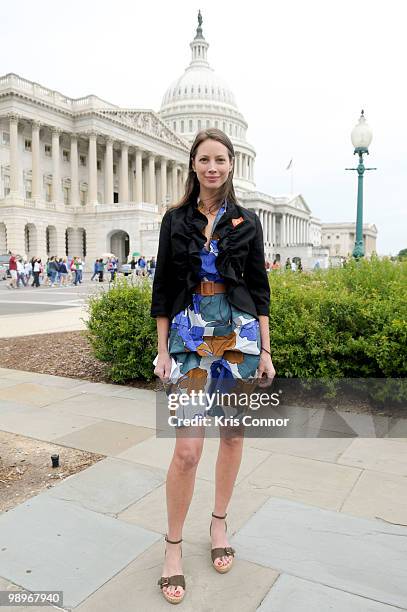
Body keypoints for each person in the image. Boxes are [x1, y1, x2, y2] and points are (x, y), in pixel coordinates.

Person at [151, 128, 275, 604]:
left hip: (238, 334)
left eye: (220, 159)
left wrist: (264, 347)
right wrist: (163, 350)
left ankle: (219, 521)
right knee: (187, 450)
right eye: (205, 159)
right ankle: (174, 546)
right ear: (194, 165)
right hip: (186, 334)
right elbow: (162, 288)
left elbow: (260, 289)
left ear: (231, 164)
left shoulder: (247, 222)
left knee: (233, 434)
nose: (213, 167)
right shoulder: (174, 219)